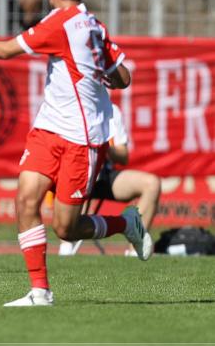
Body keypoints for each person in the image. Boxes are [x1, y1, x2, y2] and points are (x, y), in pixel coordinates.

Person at [0, 0, 151, 307]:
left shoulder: (65, 24)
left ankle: (125, 224)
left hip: (83, 140)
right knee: (25, 199)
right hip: (49, 129)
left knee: (66, 228)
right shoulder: (91, 24)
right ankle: (40, 291)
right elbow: (124, 78)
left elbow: (7, 50)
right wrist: (101, 73)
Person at [59, 103, 161, 256]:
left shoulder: (112, 110)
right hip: (76, 172)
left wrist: (104, 146)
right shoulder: (70, 107)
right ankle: (66, 245)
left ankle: (134, 252)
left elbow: (123, 156)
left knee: (152, 184)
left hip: (104, 175)